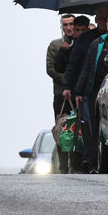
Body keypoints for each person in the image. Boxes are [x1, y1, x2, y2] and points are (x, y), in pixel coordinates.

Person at [62, 6, 108, 172]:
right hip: (89, 89)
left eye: (107, 19)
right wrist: (69, 86)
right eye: (101, 19)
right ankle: (89, 160)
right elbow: (75, 63)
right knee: (89, 126)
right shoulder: (87, 39)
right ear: (96, 20)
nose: (104, 23)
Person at [74, 14, 108, 173]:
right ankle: (94, 164)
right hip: (96, 91)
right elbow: (87, 67)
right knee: (94, 128)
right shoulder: (98, 44)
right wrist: (79, 91)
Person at [46, 14, 75, 174]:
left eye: (71, 24)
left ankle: (77, 164)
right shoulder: (55, 45)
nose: (69, 28)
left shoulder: (81, 42)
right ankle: (64, 167)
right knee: (62, 129)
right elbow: (50, 69)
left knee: (78, 129)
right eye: (66, 25)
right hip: (60, 95)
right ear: (61, 27)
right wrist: (68, 80)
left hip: (78, 94)